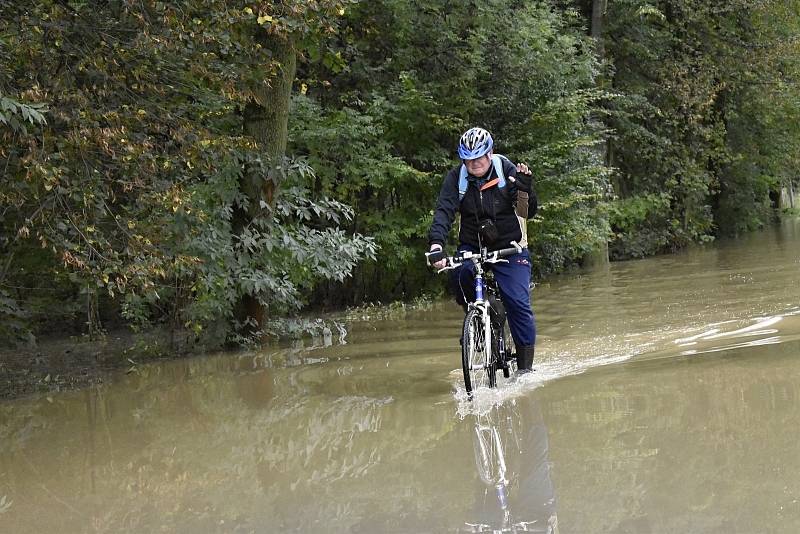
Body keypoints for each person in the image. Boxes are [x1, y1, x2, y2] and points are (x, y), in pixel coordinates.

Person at [427, 126, 538, 372]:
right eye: (469, 159)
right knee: (459, 277)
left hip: (510, 246)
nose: (474, 163)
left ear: (490, 154)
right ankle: (478, 316)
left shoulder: (505, 169)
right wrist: (436, 245)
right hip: (472, 245)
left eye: (479, 157)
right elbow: (444, 212)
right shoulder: (456, 178)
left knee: (518, 303)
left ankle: (525, 369)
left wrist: (524, 190)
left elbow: (526, 212)